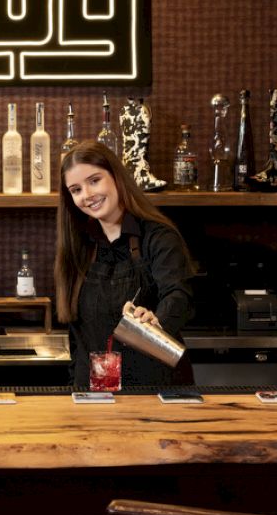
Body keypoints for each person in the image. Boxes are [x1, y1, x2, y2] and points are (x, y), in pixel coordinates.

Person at [54, 140, 195, 391]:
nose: (87, 195)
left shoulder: (158, 237)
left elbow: (178, 294)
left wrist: (157, 320)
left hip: (156, 393)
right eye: (76, 189)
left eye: (94, 180)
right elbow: (77, 337)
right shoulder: (78, 247)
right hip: (93, 396)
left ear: (116, 177)